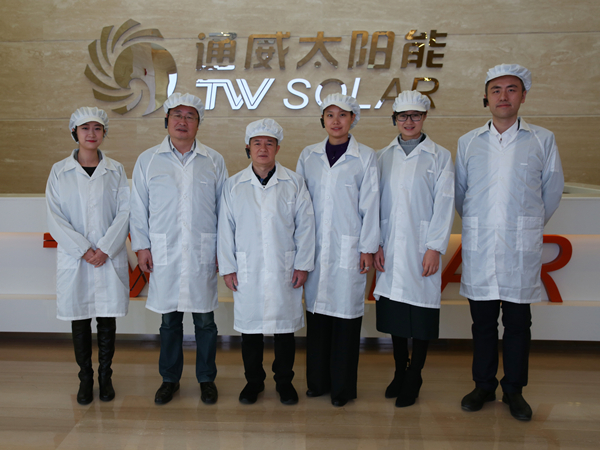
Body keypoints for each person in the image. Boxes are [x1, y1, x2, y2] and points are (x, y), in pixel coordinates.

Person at [455, 64, 564, 421]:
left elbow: (551, 191)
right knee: (482, 323)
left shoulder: (542, 139)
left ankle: (514, 389)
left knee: (518, 324)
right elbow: (461, 194)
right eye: (496, 90)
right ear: (486, 97)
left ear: (523, 96)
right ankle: (483, 385)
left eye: (511, 89)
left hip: (520, 247)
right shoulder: (469, 142)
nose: (504, 96)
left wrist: (525, 225)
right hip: (481, 245)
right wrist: (483, 224)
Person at [130, 93, 227, 405]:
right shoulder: (148, 160)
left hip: (202, 252)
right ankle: (169, 379)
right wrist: (142, 247)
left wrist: (222, 251)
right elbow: (138, 208)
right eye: (177, 115)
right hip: (164, 253)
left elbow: (225, 211)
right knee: (169, 322)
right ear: (166, 120)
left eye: (190, 116)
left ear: (198, 123)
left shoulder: (214, 160)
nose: (182, 121)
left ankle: (206, 379)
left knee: (206, 323)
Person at [218, 119, 316, 405]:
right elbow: (225, 230)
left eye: (269, 143)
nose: (263, 148)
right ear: (248, 148)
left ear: (278, 148)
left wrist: (302, 264)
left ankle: (284, 382)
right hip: (247, 269)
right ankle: (254, 382)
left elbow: (306, 227)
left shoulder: (294, 182)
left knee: (285, 331)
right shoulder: (234, 185)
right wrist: (228, 267)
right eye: (257, 143)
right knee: (250, 331)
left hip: (284, 267)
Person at [296, 94, 380, 407]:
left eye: (342, 115)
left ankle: (342, 388)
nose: (336, 120)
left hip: (350, 248)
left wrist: (368, 247)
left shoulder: (365, 157)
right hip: (315, 248)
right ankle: (317, 383)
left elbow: (371, 204)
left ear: (353, 119)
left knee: (345, 318)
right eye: (329, 114)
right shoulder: (308, 155)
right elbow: (298, 205)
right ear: (323, 119)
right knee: (317, 317)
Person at [373, 91, 455, 407]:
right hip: (390, 247)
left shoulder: (440, 156)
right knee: (395, 313)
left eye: (415, 116)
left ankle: (415, 374)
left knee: (420, 315)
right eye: (403, 116)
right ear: (394, 119)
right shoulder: (382, 156)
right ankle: (399, 371)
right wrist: (376, 243)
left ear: (424, 118)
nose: (409, 121)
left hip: (423, 248)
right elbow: (375, 204)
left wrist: (435, 247)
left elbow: (444, 205)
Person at [46, 107, 130, 405]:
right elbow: (55, 217)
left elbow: (125, 212)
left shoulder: (116, 170)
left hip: (108, 255)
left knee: (107, 318)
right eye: (85, 128)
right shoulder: (59, 171)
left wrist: (105, 248)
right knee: (79, 318)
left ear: (104, 132)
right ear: (75, 132)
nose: (91, 134)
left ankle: (105, 377)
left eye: (97, 128)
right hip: (76, 258)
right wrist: (84, 249)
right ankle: (85, 378)